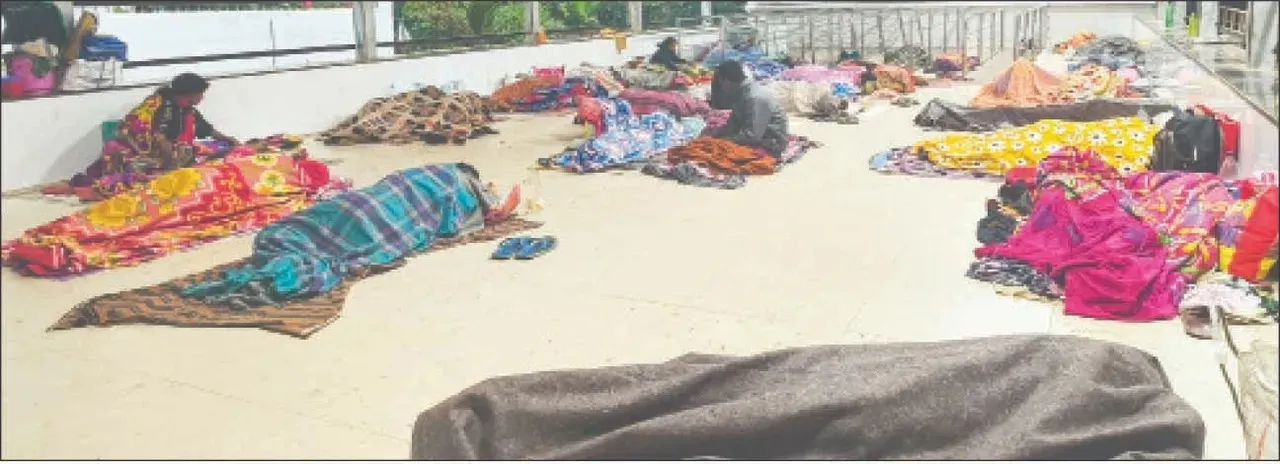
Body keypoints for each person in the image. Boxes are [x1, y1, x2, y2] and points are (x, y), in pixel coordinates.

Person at [45, 72, 240, 201]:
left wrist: (227, 138)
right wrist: (160, 147)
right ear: (189, 94)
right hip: (143, 152)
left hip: (163, 155)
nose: (202, 98)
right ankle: (96, 188)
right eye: (200, 94)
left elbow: (205, 129)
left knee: (202, 151)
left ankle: (102, 186)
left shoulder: (187, 110)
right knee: (118, 153)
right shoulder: (157, 104)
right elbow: (134, 128)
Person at [707, 60, 789, 157]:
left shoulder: (755, 97)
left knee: (723, 153)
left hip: (772, 140)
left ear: (727, 82)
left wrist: (725, 140)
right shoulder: (740, 93)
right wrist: (720, 133)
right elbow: (734, 121)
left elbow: (753, 135)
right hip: (757, 133)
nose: (721, 88)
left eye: (721, 83)